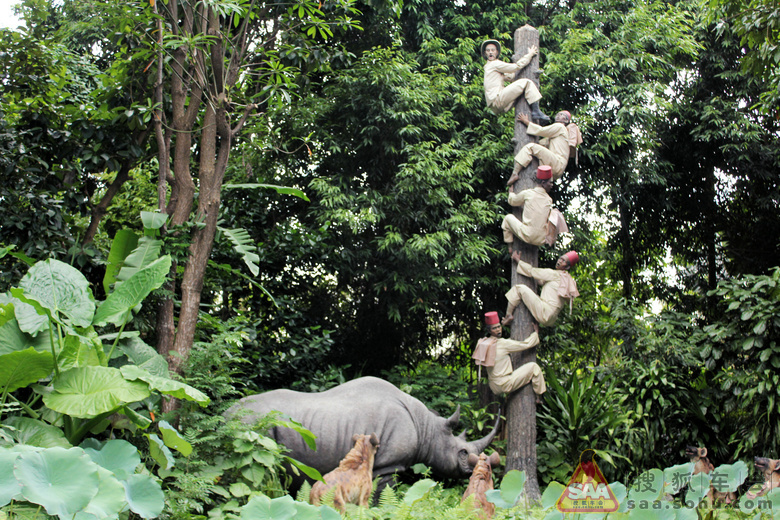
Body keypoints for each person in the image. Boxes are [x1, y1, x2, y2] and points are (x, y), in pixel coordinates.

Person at [472, 312, 546, 400]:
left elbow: (509, 343)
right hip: (504, 384)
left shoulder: (484, 343)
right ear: (489, 331)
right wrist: (535, 334)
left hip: (494, 386)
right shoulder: (502, 343)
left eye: (499, 327)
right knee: (534, 367)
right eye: (494, 328)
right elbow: (525, 345)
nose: (498, 330)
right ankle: (539, 397)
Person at [502, 250, 580, 327]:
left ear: (567, 266)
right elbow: (540, 281)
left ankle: (508, 315)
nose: (560, 261)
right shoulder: (567, 279)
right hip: (551, 318)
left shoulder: (554, 274)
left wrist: (517, 260)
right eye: (561, 258)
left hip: (545, 311)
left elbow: (532, 271)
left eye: (563, 261)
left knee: (518, 288)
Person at [481, 39, 549, 122]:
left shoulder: (488, 67)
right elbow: (516, 67)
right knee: (526, 82)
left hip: (495, 106)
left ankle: (535, 119)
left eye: (492, 50)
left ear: (497, 52)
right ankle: (536, 111)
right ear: (485, 53)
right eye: (488, 50)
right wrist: (530, 54)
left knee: (521, 92)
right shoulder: (494, 64)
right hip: (497, 99)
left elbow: (511, 77)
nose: (490, 52)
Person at [506, 110, 579, 185]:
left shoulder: (560, 127)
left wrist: (526, 122)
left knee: (530, 147)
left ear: (566, 120)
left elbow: (541, 131)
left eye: (561, 114)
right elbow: (541, 144)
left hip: (557, 162)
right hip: (556, 169)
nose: (558, 115)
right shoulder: (557, 137)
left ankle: (515, 173)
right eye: (558, 113)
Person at [501, 165, 553, 248]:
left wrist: (511, 193)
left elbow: (512, 201)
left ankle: (510, 246)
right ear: (543, 183)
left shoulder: (528, 193)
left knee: (507, 218)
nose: (552, 185)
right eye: (550, 182)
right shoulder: (549, 200)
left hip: (528, 235)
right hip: (541, 239)